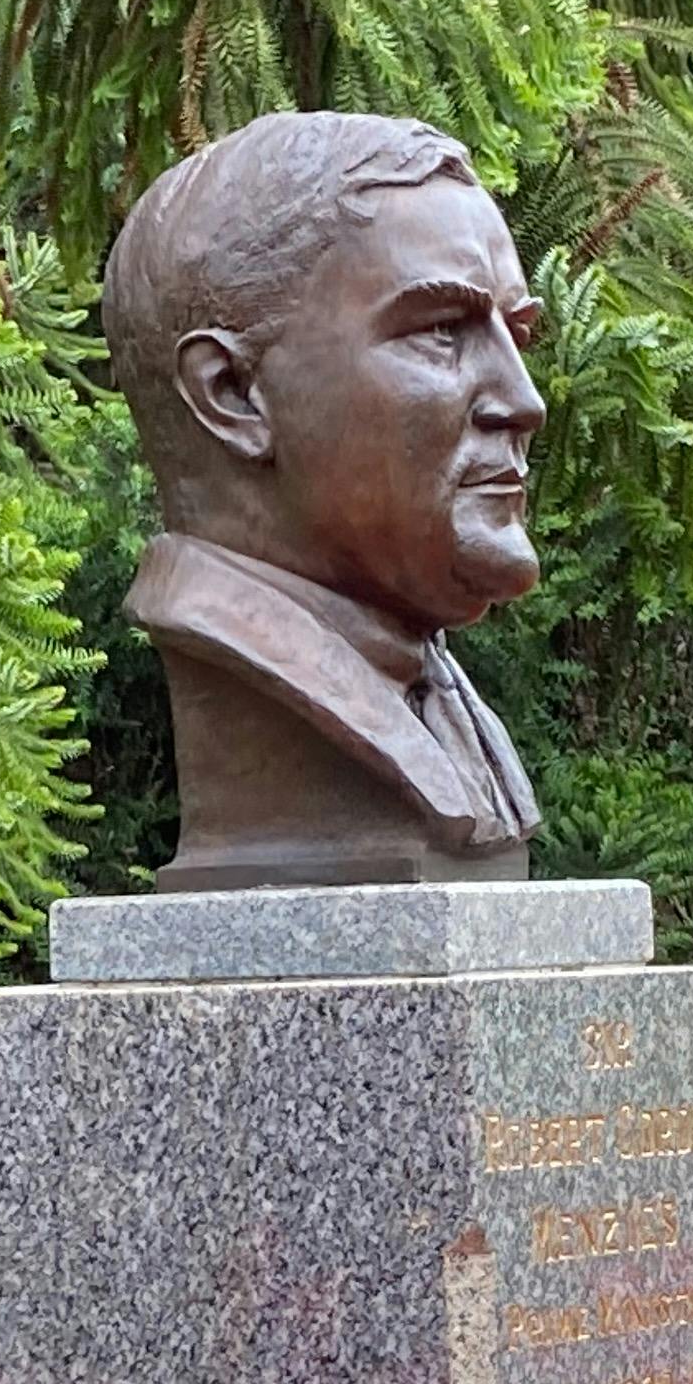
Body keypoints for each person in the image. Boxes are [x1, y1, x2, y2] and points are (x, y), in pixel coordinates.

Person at [103, 112, 551, 889]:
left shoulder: (431, 682)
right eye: (442, 331)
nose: (523, 401)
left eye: (517, 334)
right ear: (234, 394)